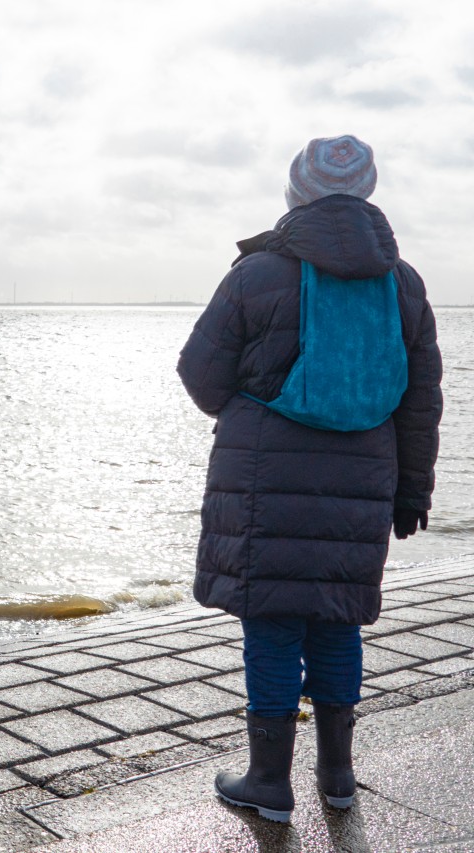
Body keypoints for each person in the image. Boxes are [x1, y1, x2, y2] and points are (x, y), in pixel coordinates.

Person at [177, 135, 443, 822]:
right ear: (368, 194)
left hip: (265, 473)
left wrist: (253, 405)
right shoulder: (403, 281)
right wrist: (413, 487)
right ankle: (339, 775)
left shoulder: (256, 273)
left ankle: (269, 781)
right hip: (364, 478)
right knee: (336, 618)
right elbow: (421, 399)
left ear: (296, 194)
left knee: (271, 623)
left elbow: (200, 375)